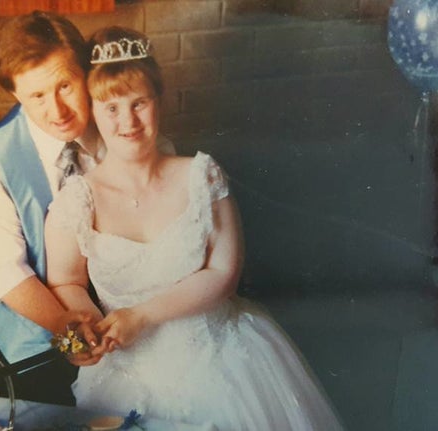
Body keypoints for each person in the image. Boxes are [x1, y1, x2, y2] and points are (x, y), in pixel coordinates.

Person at [44, 26, 345, 429]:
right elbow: (65, 281)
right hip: (125, 371)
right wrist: (88, 326)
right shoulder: (75, 200)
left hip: (222, 360)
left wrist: (142, 316)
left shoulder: (201, 176)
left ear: (159, 101)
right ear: (94, 112)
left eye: (140, 103)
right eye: (111, 107)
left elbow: (224, 274)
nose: (128, 121)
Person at [0, 12, 172, 405]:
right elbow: (1, 268)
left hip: (134, 330)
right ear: (15, 94)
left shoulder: (121, 128)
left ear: (85, 73)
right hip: (40, 345)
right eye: (36, 96)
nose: (56, 110)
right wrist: (65, 325)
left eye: (65, 86)